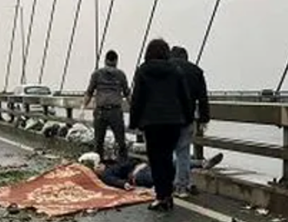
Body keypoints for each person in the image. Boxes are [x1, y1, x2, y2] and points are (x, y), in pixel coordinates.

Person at [129, 38, 193, 211]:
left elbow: (137, 99)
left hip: (152, 122)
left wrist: (133, 122)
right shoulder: (176, 70)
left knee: (157, 159)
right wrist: (187, 118)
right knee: (168, 156)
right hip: (173, 121)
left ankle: (161, 196)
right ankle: (168, 194)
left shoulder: (143, 71)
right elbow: (184, 96)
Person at [170, 46, 210, 198]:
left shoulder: (166, 68)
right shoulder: (196, 71)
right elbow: (203, 98)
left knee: (166, 151)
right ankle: (182, 186)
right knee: (183, 152)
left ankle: (170, 185)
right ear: (186, 57)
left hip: (167, 118)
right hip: (187, 118)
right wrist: (204, 119)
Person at [83, 152, 224, 190]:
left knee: (172, 163)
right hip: (137, 175)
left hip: (145, 166)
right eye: (96, 167)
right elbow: (111, 180)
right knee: (160, 178)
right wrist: (123, 184)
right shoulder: (107, 174)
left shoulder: (111, 162)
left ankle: (202, 163)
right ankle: (182, 186)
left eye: (99, 164)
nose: (99, 166)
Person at [82, 49, 130, 161]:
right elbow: (127, 94)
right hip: (115, 111)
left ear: (105, 60)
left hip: (100, 111)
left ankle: (98, 163)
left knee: (99, 141)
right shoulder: (121, 75)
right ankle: (123, 163)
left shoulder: (96, 74)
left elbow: (89, 92)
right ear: (116, 61)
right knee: (120, 140)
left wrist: (83, 108)